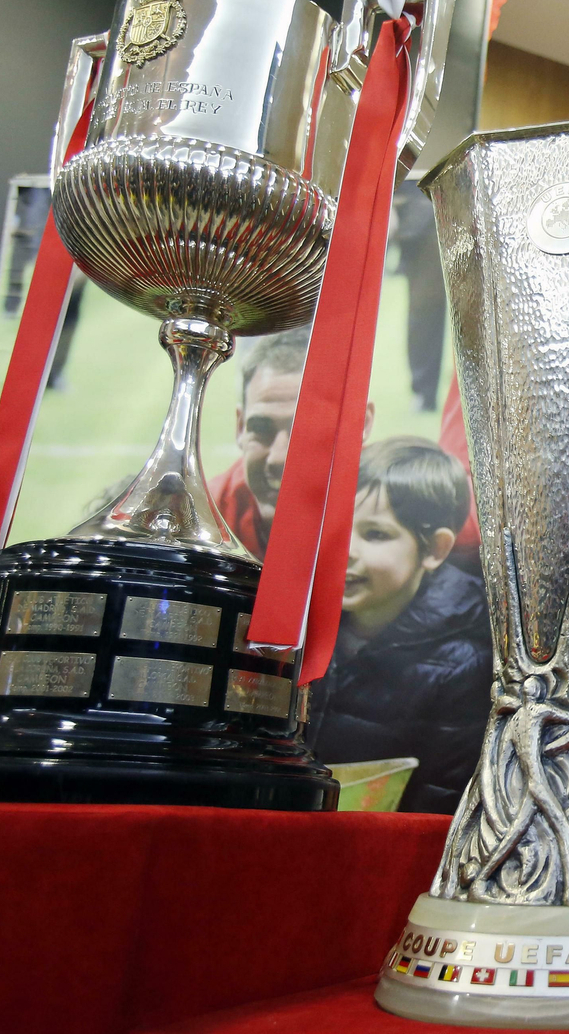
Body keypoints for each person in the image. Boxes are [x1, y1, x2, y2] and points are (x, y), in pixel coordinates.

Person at [306, 436, 492, 814]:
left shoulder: (463, 666)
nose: (346, 550)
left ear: (435, 549)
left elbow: (439, 801)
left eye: (375, 534)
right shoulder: (308, 627)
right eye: (339, 527)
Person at [206, 328, 375, 560]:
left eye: (307, 430)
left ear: (361, 424)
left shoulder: (401, 516)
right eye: (262, 430)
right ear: (240, 427)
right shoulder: (204, 518)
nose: (279, 458)